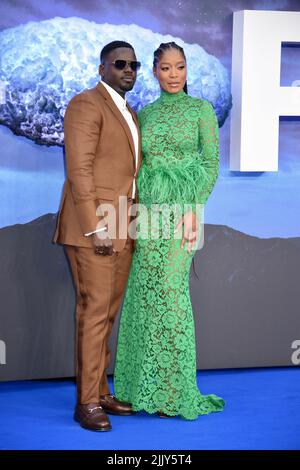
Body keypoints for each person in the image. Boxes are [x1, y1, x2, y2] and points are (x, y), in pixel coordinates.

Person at [114, 42, 225, 420]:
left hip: (181, 214)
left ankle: (174, 391)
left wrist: (195, 209)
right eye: (165, 68)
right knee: (144, 294)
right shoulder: (146, 114)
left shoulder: (201, 111)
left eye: (179, 67)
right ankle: (139, 387)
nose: (173, 74)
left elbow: (210, 165)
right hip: (148, 215)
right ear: (155, 72)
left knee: (170, 295)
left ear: (187, 71)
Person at [53, 41, 142, 431]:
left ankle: (100, 389)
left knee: (106, 314)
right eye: (119, 63)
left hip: (124, 224)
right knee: (94, 314)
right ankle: (87, 402)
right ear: (102, 68)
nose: (128, 70)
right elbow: (80, 170)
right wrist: (95, 226)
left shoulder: (128, 110)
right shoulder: (87, 104)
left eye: (134, 64)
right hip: (97, 228)